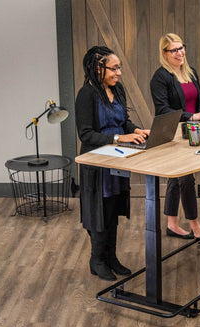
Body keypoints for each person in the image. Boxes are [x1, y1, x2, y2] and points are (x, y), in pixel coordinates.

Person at [75, 46, 150, 281]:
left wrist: (136, 130)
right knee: (99, 210)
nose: (118, 73)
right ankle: (96, 260)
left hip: (117, 159)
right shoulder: (86, 94)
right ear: (98, 68)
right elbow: (86, 134)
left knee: (113, 209)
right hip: (96, 163)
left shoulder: (117, 89)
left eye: (119, 68)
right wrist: (119, 137)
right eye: (114, 68)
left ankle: (111, 257)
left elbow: (123, 121)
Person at [149, 33, 200, 240]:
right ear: (164, 53)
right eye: (174, 50)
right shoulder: (160, 77)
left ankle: (171, 224)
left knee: (176, 178)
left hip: (194, 131)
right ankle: (195, 224)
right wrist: (191, 116)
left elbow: (199, 100)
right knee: (186, 178)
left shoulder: (190, 73)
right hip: (173, 134)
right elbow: (163, 109)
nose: (180, 53)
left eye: (181, 47)